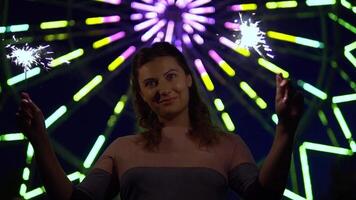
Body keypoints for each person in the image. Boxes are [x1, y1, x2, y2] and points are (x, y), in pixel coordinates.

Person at [17, 42, 304, 200]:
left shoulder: (227, 145)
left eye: (171, 77)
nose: (163, 89)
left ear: (188, 79)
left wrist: (285, 130)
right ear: (141, 93)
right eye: (151, 82)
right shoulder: (122, 149)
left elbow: (263, 199)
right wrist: (40, 139)